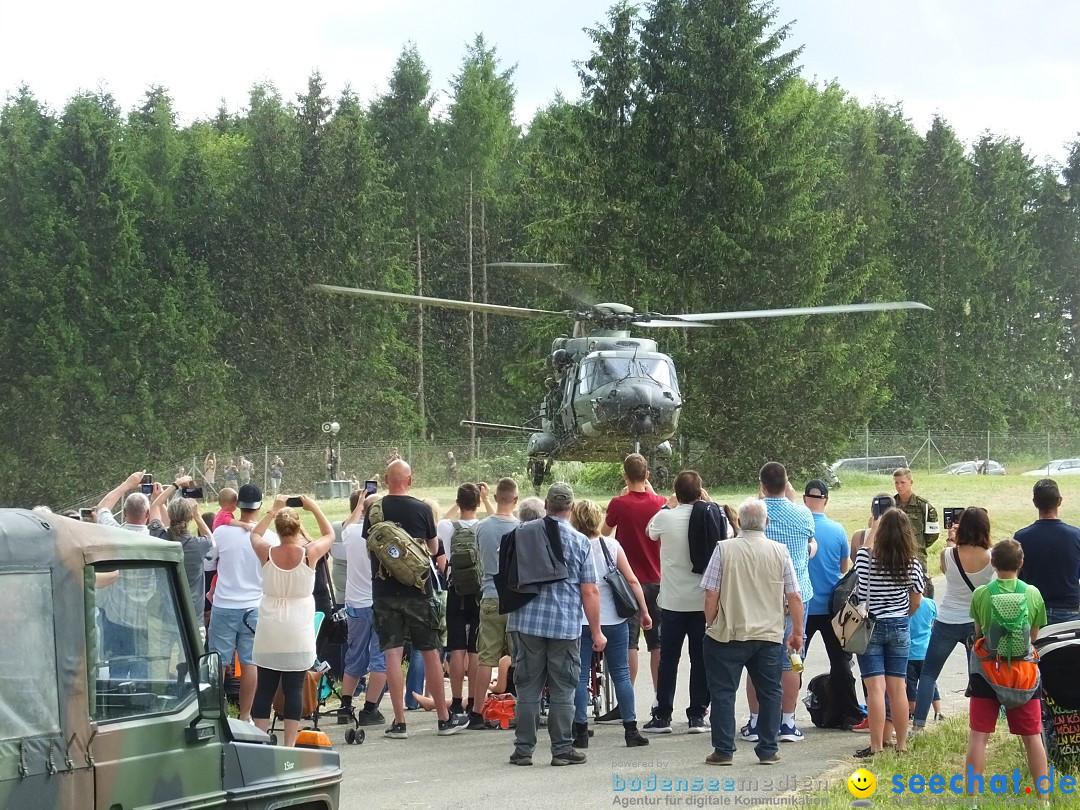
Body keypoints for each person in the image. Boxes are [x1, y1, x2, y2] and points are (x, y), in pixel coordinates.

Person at [364, 460, 465, 739]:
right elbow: (433, 549)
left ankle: (399, 722)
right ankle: (444, 720)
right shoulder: (421, 509)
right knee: (431, 651)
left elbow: (369, 549)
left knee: (392, 655)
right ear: (410, 480)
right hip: (418, 591)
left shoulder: (374, 509)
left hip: (384, 592)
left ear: (386, 480)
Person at [506, 483, 606, 767]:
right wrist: (597, 631)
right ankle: (561, 750)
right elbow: (590, 591)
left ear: (547, 505)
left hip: (526, 622)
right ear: (570, 509)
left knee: (527, 688)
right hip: (564, 625)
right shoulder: (580, 542)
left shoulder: (522, 533)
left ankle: (523, 749)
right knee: (563, 687)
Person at [700, 498, 803, 766]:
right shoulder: (780, 551)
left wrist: (710, 622)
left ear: (738, 522)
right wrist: (798, 631)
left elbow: (711, 592)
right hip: (768, 634)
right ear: (766, 523)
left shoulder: (723, 550)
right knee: (770, 691)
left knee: (723, 692)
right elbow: (794, 595)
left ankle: (723, 750)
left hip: (728, 632)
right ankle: (768, 749)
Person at [644, 469, 726, 734]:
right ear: (700, 491)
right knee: (699, 659)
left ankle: (663, 714)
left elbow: (650, 533)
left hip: (672, 601)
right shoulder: (712, 515)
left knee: (669, 658)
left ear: (677, 493)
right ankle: (697, 714)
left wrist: (669, 505)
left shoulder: (665, 517)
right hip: (702, 601)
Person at [248, 495, 334, 747]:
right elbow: (329, 534)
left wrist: (272, 511)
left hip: (271, 626)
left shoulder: (267, 552)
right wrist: (314, 507)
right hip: (298, 627)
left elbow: (254, 534)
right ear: (298, 529)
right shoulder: (309, 554)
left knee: (265, 687)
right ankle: (289, 744)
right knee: (294, 687)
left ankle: (261, 741)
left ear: (278, 529)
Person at [964, 539, 1048, 796]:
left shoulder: (982, 594)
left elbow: (979, 633)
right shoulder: (1032, 593)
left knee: (979, 735)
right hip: (1022, 675)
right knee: (1033, 737)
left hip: (987, 672)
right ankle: (1043, 798)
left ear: (993, 563)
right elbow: (1034, 636)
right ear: (1021, 564)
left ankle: (972, 799)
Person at [570, 499, 652, 748]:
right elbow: (633, 581)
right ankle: (630, 729)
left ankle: (581, 730)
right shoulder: (612, 545)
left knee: (580, 676)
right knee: (621, 675)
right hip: (615, 619)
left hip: (582, 620)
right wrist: (644, 611)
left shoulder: (573, 546)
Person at [743, 462, 815, 744]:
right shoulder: (802, 513)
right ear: (787, 484)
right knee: (792, 659)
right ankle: (787, 721)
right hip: (795, 595)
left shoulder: (753, 511)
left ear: (761, 485)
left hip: (759, 595)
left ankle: (756, 721)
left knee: (755, 660)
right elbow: (809, 542)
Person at [911, 507, 993, 733]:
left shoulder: (949, 554)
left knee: (929, 673)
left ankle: (918, 725)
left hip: (947, 620)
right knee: (976, 675)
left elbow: (947, 571)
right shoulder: (992, 557)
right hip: (975, 622)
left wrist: (951, 539)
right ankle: (980, 724)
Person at [852, 507, 924, 759]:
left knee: (875, 689)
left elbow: (863, 549)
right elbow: (916, 600)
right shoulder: (912, 563)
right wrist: (903, 616)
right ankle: (901, 744)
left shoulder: (865, 559)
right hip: (899, 625)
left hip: (870, 626)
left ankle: (876, 746)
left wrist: (874, 526)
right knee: (898, 688)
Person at [602, 454, 667, 717]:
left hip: (627, 582)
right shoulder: (660, 503)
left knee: (629, 643)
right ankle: (661, 699)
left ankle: (625, 702)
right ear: (647, 475)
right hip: (657, 578)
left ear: (625, 476)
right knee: (657, 644)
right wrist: (653, 494)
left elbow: (603, 534)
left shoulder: (619, 503)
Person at [206, 483, 272, 722]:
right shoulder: (269, 537)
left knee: (218, 663)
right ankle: (246, 715)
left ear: (237, 505)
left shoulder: (221, 532)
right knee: (250, 662)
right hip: (254, 605)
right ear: (260, 505)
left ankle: (216, 713)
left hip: (224, 604)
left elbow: (208, 564)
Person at [802, 478, 864, 727]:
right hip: (832, 607)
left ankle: (782, 713)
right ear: (826, 501)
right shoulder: (838, 530)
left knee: (794, 661)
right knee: (840, 662)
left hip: (803, 605)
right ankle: (850, 712)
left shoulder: (800, 528)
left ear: (805, 500)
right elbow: (843, 569)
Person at [94, 470, 161, 680]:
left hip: (116, 616)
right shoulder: (155, 541)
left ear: (124, 513)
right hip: (143, 618)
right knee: (141, 668)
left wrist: (127, 484)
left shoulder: (115, 533)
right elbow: (165, 522)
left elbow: (102, 508)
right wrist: (157, 500)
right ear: (148, 515)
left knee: (117, 668)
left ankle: (118, 706)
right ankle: (141, 706)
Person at [437, 483, 494, 719]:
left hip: (455, 591)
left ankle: (457, 701)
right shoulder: (484, 526)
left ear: (458, 502)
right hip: (479, 592)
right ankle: (474, 700)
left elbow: (439, 521)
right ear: (478, 503)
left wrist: (456, 504)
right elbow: (496, 517)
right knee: (475, 649)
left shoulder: (446, 526)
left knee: (457, 647)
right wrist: (487, 499)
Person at [472, 477, 521, 729]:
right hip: (514, 596)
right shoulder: (522, 528)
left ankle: (477, 710)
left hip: (490, 594)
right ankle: (520, 704)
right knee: (517, 655)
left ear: (494, 498)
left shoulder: (481, 527)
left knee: (486, 658)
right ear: (516, 500)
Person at [337, 492, 388, 727]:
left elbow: (348, 524)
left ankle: (345, 705)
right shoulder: (385, 536)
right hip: (379, 603)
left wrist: (358, 505)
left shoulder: (351, 533)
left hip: (355, 604)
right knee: (381, 659)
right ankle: (370, 709)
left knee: (354, 655)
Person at [1015, 478, 1080, 624]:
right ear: (1060, 501)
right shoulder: (1076, 536)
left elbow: (1016, 577)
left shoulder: (1021, 537)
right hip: (1069, 610)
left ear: (1035, 502)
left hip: (1033, 610)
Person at [164, 496, 214, 620]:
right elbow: (212, 541)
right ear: (190, 517)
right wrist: (197, 515)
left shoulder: (159, 538)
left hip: (166, 609)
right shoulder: (199, 545)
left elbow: (155, 509)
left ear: (169, 515)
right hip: (193, 613)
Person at [892, 468, 939, 598]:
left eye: (902, 482)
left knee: (920, 595)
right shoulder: (891, 505)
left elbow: (932, 534)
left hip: (917, 557)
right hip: (894, 557)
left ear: (911, 482)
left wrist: (917, 545)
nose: (899, 486)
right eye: (896, 483)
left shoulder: (923, 506)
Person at [906, 595, 943, 722]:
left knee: (910, 686)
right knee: (930, 681)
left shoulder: (906, 604)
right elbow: (935, 623)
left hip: (910, 652)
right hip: (927, 650)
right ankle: (938, 711)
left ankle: (914, 713)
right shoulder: (930, 604)